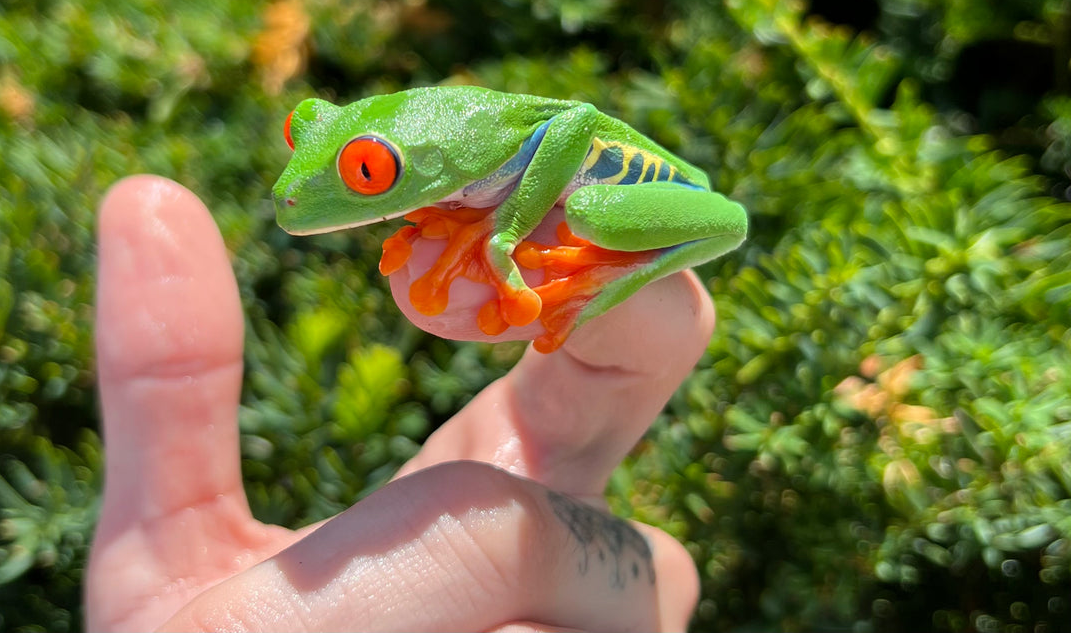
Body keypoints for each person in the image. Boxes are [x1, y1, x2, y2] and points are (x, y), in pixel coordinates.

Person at [85, 175, 710, 631]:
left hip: (629, 193)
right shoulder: (165, 584)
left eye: (367, 170)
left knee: (590, 217)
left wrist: (511, 226)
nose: (288, 193)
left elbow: (573, 124)